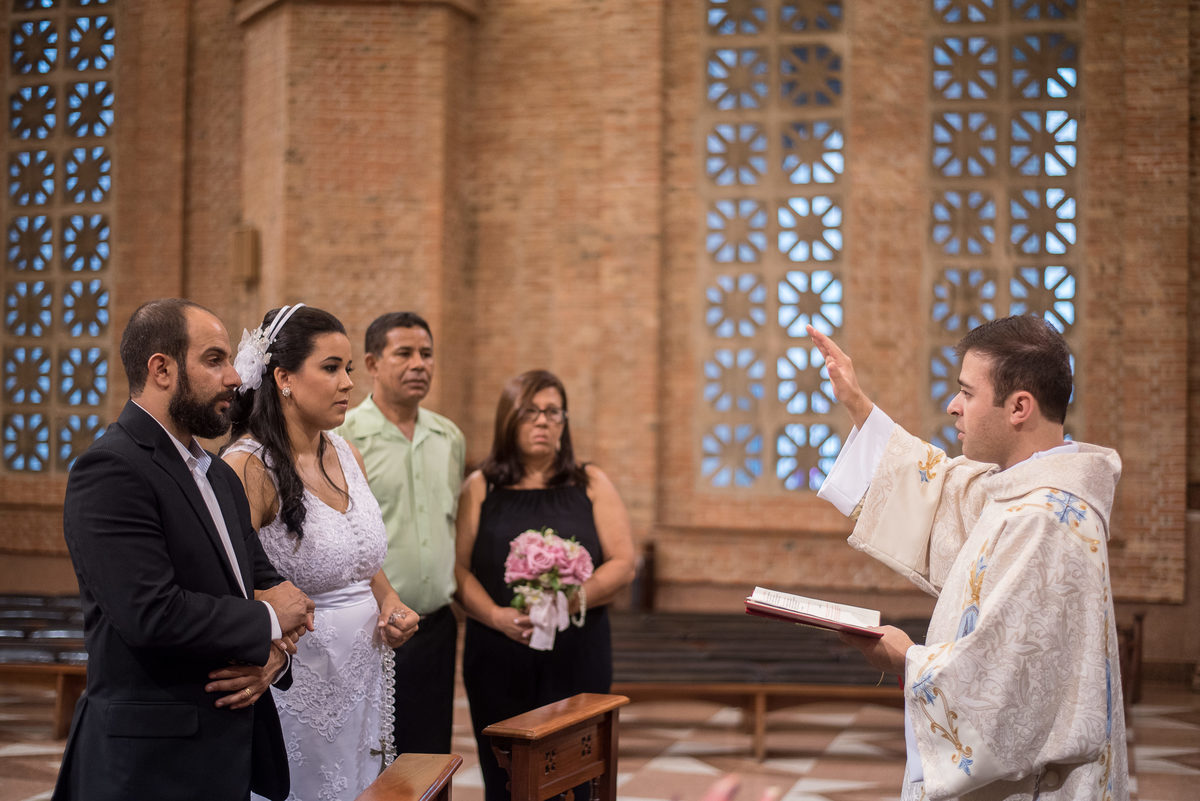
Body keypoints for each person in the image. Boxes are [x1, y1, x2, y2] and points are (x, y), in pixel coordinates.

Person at [808, 316, 1128, 801]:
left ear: (1019, 407)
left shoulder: (1049, 520)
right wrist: (857, 404)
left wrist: (906, 658)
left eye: (967, 393)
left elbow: (1007, 687)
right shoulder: (1019, 493)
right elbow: (939, 489)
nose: (953, 406)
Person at [54, 298, 315, 801]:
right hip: (150, 763)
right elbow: (148, 612)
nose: (236, 377)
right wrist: (266, 621)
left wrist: (273, 660)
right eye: (215, 359)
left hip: (226, 752)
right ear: (162, 369)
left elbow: (269, 588)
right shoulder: (111, 469)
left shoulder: (218, 475)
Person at [222, 303, 419, 801]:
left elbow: (361, 557)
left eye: (348, 368)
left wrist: (390, 600)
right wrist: (270, 651)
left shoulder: (345, 453)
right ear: (284, 378)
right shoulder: (249, 467)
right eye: (331, 368)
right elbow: (231, 580)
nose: (348, 382)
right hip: (297, 677)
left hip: (363, 671)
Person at [455, 369, 636, 801]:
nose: (542, 422)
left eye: (553, 412)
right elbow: (458, 571)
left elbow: (624, 563)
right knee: (506, 777)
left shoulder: (589, 481)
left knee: (577, 777)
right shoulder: (481, 486)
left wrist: (572, 600)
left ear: (565, 421)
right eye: (530, 412)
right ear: (509, 420)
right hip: (499, 655)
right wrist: (497, 617)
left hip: (577, 654)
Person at [337, 311, 465, 754]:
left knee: (429, 756)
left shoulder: (448, 436)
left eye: (427, 354)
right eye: (405, 353)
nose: (419, 364)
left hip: (436, 625)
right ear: (372, 363)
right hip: (373, 626)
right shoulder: (344, 435)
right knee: (375, 756)